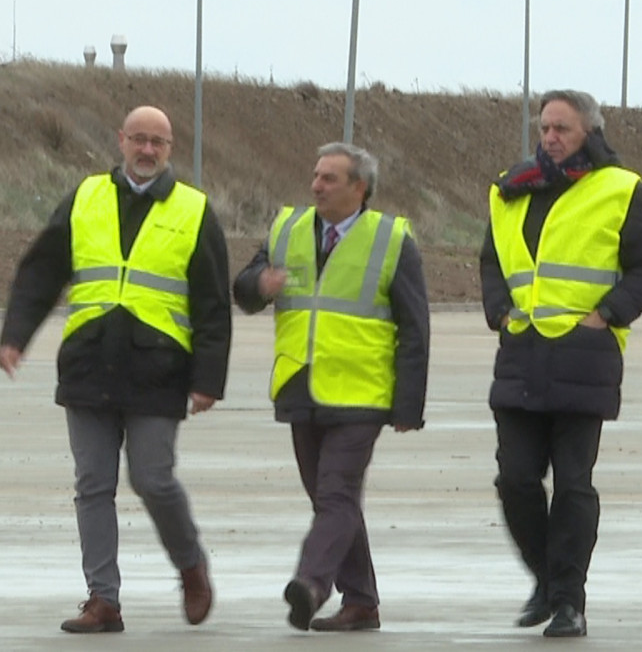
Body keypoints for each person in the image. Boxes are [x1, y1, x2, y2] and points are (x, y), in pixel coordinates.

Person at [0, 105, 231, 633]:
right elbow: (41, 271)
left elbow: (212, 304)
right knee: (92, 485)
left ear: (170, 149)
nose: (147, 150)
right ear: (121, 140)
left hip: (159, 370)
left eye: (159, 142)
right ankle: (103, 600)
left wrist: (207, 379)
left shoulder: (195, 211)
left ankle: (190, 567)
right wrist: (14, 335)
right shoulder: (85, 197)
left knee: (152, 478)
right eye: (139, 139)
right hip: (89, 364)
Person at [479, 89, 642, 637]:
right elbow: (491, 258)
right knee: (515, 479)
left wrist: (608, 314)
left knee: (574, 484)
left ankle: (568, 601)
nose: (551, 138)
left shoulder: (619, 187)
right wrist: (498, 311)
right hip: (521, 351)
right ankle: (548, 579)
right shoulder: (510, 189)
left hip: (585, 356)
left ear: (590, 131)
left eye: (562, 128)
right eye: (545, 128)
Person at [232, 142, 430, 632]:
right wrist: (260, 284)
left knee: (336, 493)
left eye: (330, 179)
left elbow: (415, 328)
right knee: (329, 500)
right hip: (301, 383)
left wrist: (409, 404)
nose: (316, 185)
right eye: (316, 175)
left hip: (361, 391)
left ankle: (312, 582)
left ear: (359, 188)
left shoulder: (390, 239)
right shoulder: (288, 228)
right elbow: (244, 287)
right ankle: (361, 601)